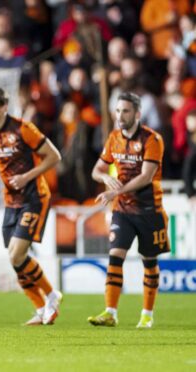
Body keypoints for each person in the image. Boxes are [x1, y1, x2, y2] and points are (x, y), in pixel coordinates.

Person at [0, 88, 63, 326]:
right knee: (15, 259)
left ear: (3, 107)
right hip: (11, 202)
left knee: (16, 254)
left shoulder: (24, 129)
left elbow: (54, 156)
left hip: (34, 197)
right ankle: (42, 309)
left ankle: (53, 295)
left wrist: (27, 177)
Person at [88, 92, 169, 328]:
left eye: (125, 111)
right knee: (115, 257)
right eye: (118, 111)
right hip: (123, 210)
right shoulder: (113, 138)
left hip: (150, 211)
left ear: (137, 114)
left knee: (149, 263)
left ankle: (147, 315)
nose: (120, 115)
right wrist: (103, 176)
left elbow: (146, 177)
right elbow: (97, 169)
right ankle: (110, 312)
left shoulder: (152, 139)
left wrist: (115, 191)